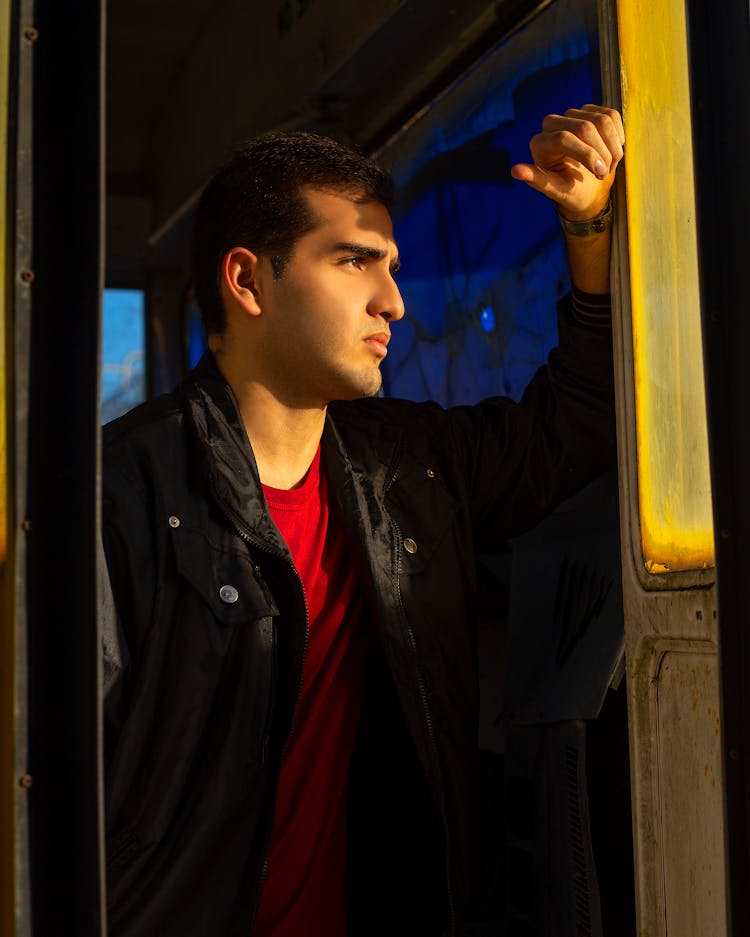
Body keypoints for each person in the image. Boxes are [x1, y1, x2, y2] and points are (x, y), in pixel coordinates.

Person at [102, 104, 624, 937]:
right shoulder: (117, 494)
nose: (394, 303)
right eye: (355, 262)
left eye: (392, 266)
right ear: (249, 280)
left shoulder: (409, 469)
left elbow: (579, 423)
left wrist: (589, 225)